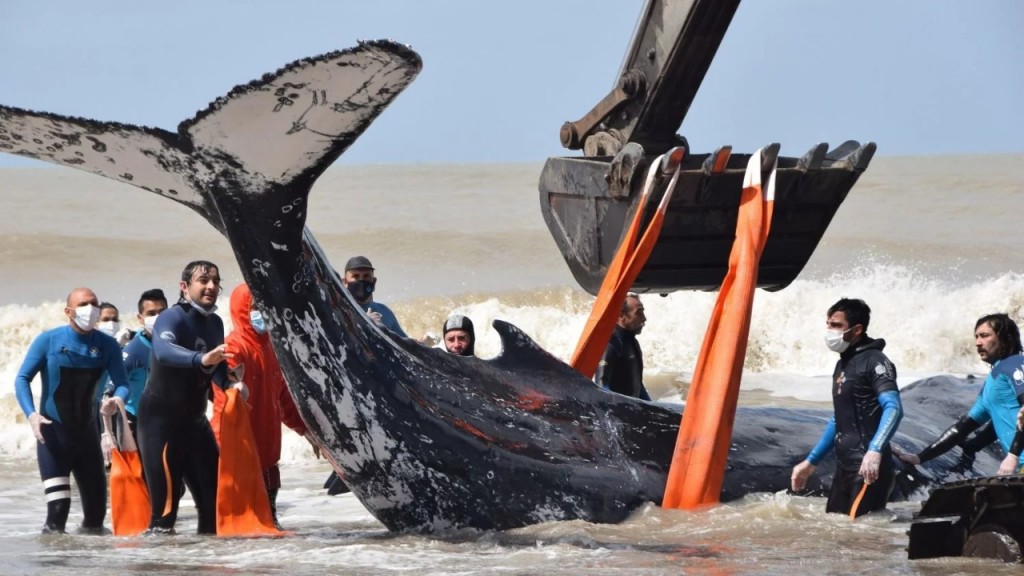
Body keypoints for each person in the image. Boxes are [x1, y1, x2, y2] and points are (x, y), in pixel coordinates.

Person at [136, 260, 246, 534]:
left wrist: (230, 381)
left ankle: (200, 564)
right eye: (203, 281)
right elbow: (163, 351)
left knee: (212, 504)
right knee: (165, 512)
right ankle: (156, 566)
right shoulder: (171, 317)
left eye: (215, 281)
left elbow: (214, 368)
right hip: (161, 424)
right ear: (185, 287)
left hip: (195, 423)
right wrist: (202, 358)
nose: (211, 286)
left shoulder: (215, 322)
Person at [14, 287, 130, 533]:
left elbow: (122, 384)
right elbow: (22, 378)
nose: (91, 309)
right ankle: (53, 568)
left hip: (87, 439)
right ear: (69, 311)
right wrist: (32, 415)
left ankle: (87, 567)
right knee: (57, 516)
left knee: (96, 519)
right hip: (53, 438)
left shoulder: (107, 345)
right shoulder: (49, 340)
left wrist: (115, 400)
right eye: (84, 304)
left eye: (95, 304)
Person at [210, 283, 312, 528]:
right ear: (241, 308)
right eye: (255, 306)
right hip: (238, 451)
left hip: (267, 454)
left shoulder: (272, 347)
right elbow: (225, 397)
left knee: (269, 525)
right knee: (241, 526)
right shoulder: (233, 347)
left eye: (265, 305)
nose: (262, 312)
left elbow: (284, 398)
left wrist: (305, 430)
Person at [791, 298, 903, 517]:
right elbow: (839, 419)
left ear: (857, 329)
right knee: (836, 535)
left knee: (861, 539)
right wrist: (811, 462)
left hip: (869, 468)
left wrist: (875, 450)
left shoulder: (876, 361)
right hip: (845, 469)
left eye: (836, 325)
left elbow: (894, 408)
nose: (829, 331)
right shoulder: (843, 363)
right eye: (828, 324)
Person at [897, 313, 1024, 475]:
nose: (978, 343)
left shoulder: (1015, 364)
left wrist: (1012, 456)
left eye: (984, 336)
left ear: (1005, 339)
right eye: (976, 337)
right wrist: (919, 458)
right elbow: (961, 429)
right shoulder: (991, 383)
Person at [115, 288, 168, 439]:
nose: (158, 318)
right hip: (134, 420)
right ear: (140, 318)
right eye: (151, 314)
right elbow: (110, 388)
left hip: (165, 419)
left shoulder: (175, 342)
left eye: (162, 312)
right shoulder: (133, 351)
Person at [594, 293, 651, 400]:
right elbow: (601, 384)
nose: (644, 318)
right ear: (621, 314)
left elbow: (637, 384)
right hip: (618, 413)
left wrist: (652, 407)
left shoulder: (633, 343)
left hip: (633, 410)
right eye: (638, 313)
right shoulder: (610, 344)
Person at [341, 255, 409, 338]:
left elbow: (405, 344)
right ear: (344, 282)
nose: (361, 280)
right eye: (356, 276)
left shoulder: (385, 312)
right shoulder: (340, 311)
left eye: (366, 276)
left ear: (374, 281)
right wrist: (366, 324)